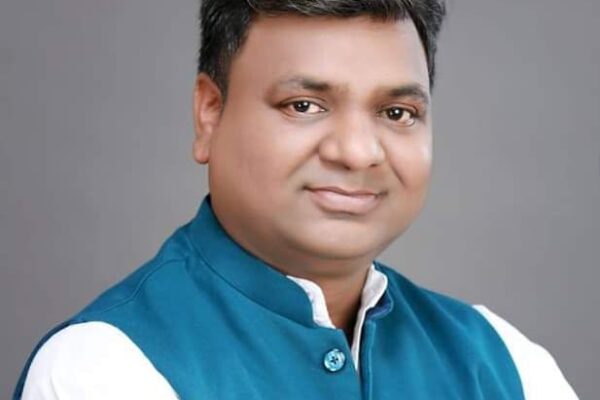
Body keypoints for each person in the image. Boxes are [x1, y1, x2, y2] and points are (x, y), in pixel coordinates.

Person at [13, 0, 578, 399]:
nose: (357, 152)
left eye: (397, 112)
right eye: (304, 105)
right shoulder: (104, 367)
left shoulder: (505, 363)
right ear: (209, 113)